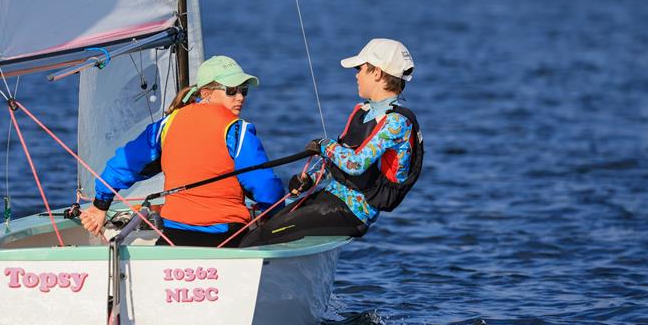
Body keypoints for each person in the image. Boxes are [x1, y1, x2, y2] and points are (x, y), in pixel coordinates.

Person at [81, 55, 285, 247]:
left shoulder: (167, 123)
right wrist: (274, 216)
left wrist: (101, 205)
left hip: (174, 238)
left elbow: (125, 163)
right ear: (206, 92)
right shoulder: (237, 130)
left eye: (244, 90)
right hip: (225, 238)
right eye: (231, 90)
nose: (240, 97)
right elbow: (265, 186)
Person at [240, 38, 424, 247]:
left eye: (360, 69)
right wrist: (309, 179)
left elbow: (355, 164)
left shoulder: (397, 123)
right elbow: (338, 160)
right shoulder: (362, 111)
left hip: (354, 212)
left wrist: (324, 144)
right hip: (332, 198)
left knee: (263, 235)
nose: (356, 75)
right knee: (265, 220)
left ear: (377, 73)